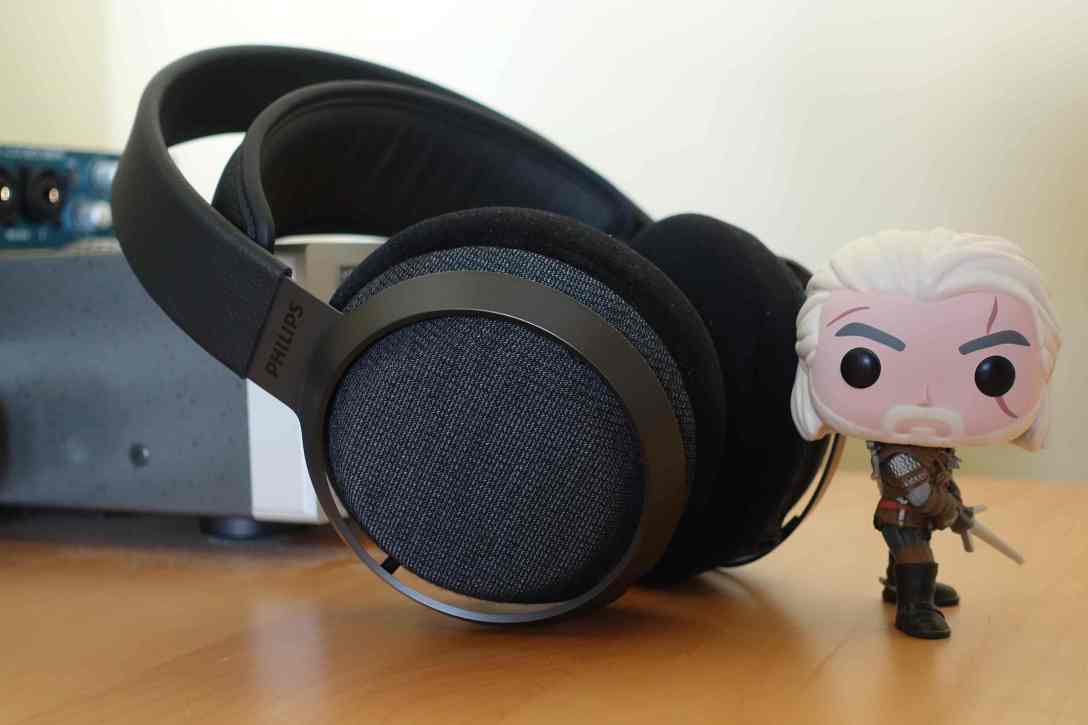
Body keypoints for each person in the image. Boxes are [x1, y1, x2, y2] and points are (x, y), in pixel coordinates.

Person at [790, 229, 1061, 639]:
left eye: (993, 372)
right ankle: (914, 606)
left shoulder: (932, 447)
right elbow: (917, 491)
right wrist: (949, 511)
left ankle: (899, 585)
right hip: (902, 511)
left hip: (917, 510)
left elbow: (937, 477)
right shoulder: (895, 456)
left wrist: (955, 501)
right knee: (914, 551)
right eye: (862, 364)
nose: (926, 398)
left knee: (908, 548)